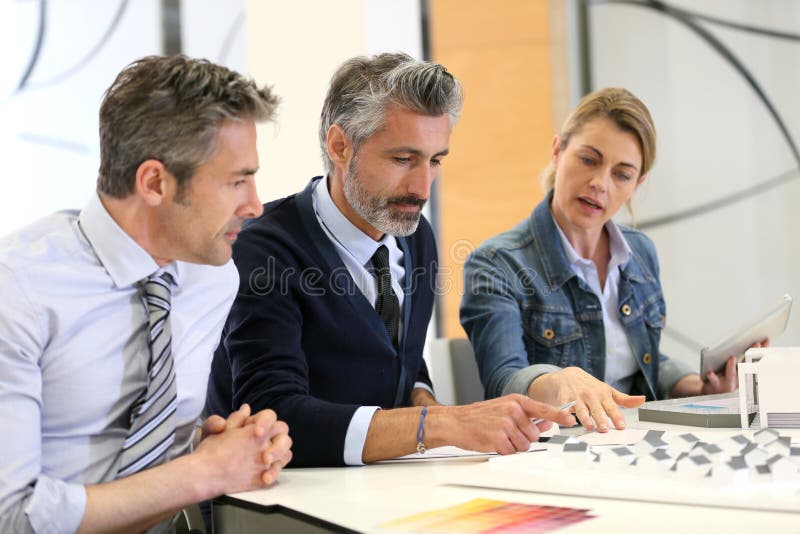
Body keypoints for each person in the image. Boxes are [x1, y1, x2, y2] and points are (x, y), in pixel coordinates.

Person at [206, 52, 575, 467]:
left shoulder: (414, 234)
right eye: (403, 159)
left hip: (383, 487)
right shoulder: (264, 250)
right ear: (340, 145)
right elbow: (274, 417)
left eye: (435, 161)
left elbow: (397, 358)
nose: (422, 187)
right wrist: (442, 425)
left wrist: (426, 402)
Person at [0, 55, 292, 533]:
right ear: (155, 182)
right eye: (237, 181)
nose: (256, 205)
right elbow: (13, 517)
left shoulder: (212, 278)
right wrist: (203, 472)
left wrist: (218, 446)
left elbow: (147, 443)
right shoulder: (17, 289)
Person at [460, 87, 763, 433]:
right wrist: (560, 381)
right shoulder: (496, 263)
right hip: (553, 449)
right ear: (558, 151)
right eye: (589, 159)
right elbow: (502, 379)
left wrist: (699, 386)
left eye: (622, 174)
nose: (599, 183)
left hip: (628, 439)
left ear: (638, 183)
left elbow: (639, 365)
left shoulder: (640, 253)